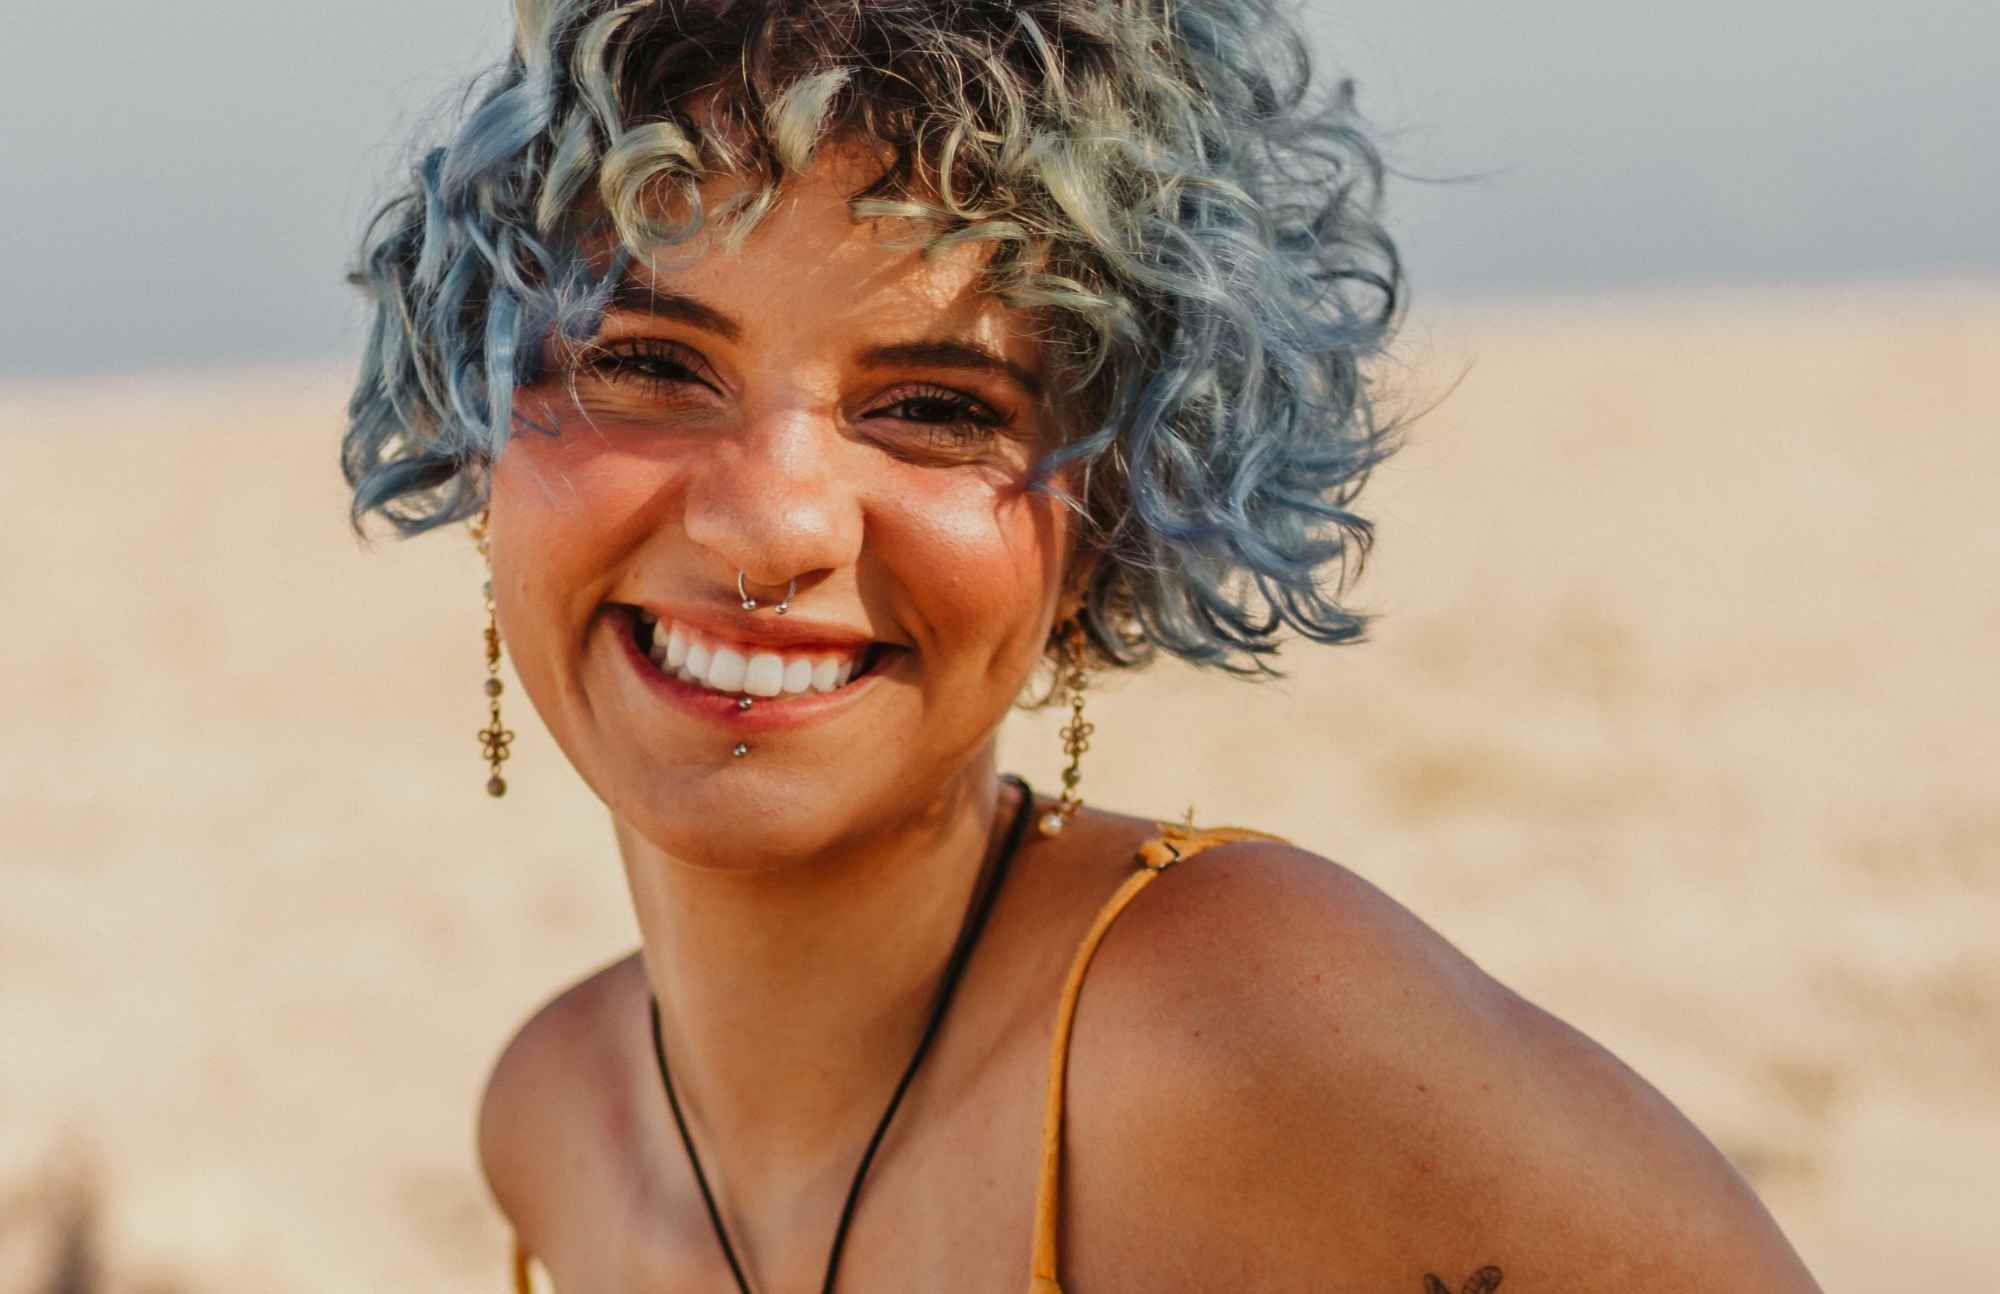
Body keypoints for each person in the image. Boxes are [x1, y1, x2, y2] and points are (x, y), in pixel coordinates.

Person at [343, 1, 1823, 1289]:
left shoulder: (1246, 1028)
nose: (770, 524)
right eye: (650, 364)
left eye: (933, 406)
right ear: (478, 433)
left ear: (1111, 513)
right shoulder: (548, 1122)